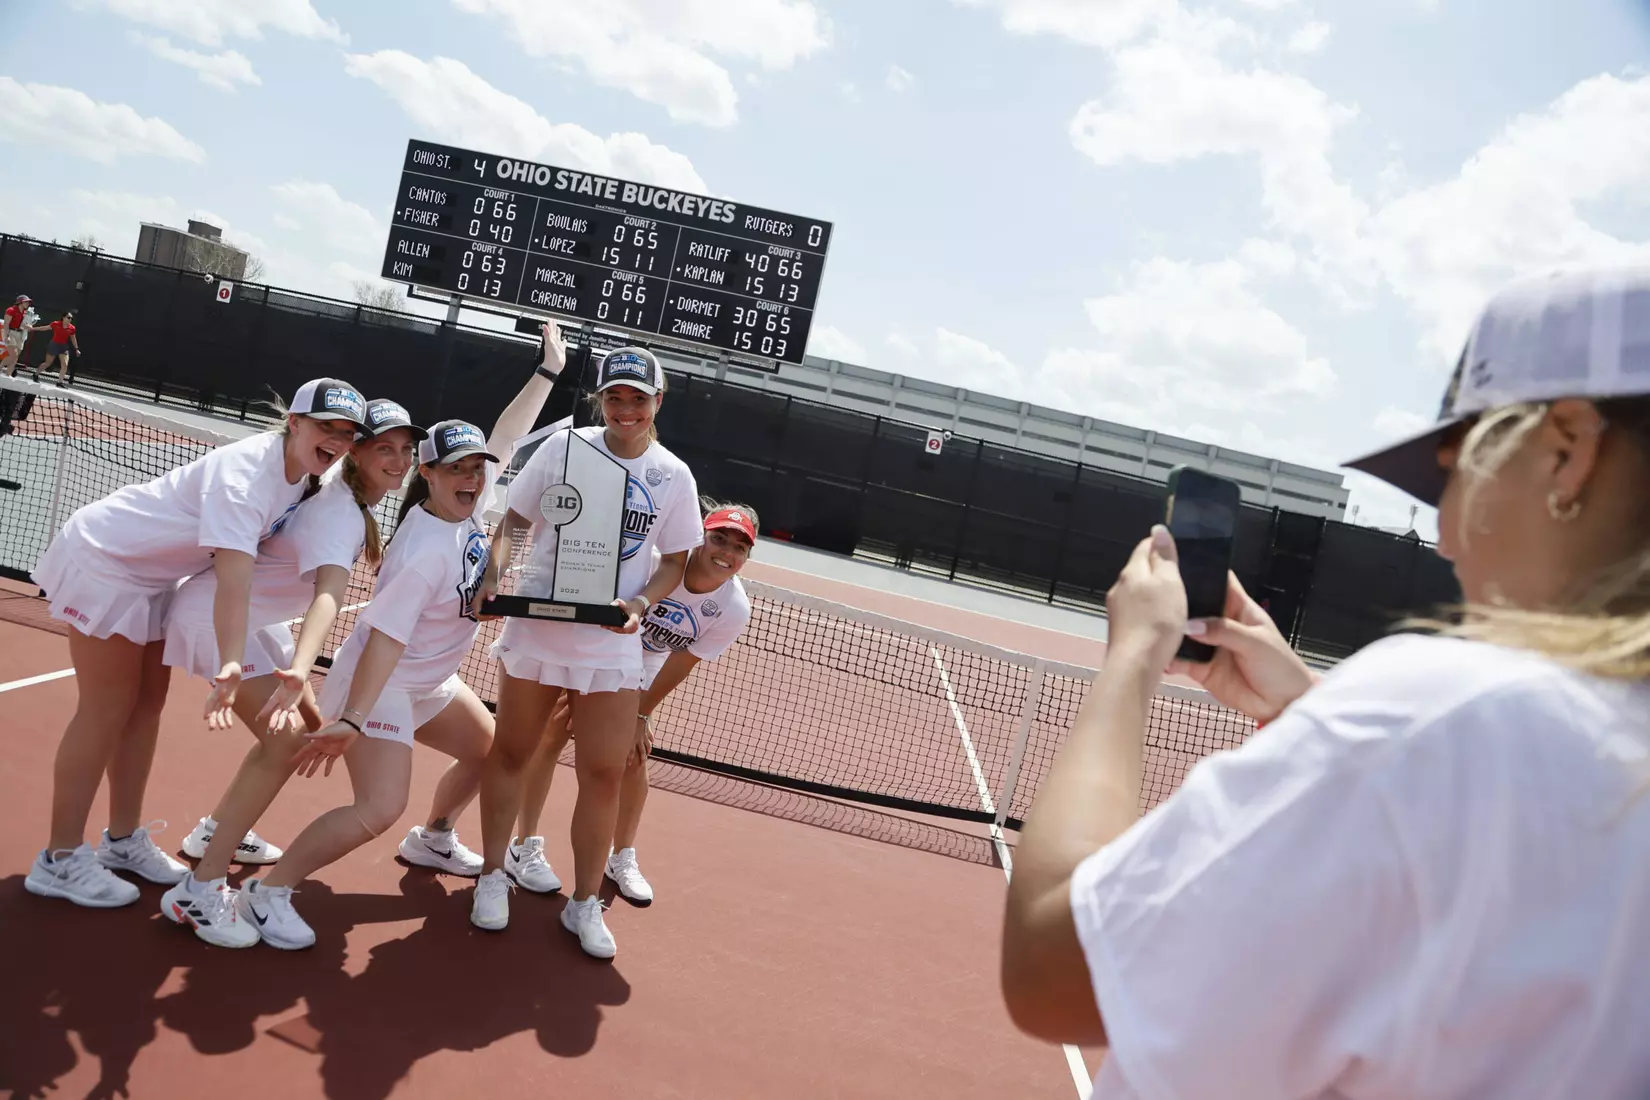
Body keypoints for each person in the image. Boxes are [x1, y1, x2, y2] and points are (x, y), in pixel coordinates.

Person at [1000, 264, 1650, 1099]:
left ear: (1569, 449)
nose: (1448, 536)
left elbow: (1055, 967)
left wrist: (1133, 658)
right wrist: (1313, 714)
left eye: (1455, 473)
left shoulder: (1439, 720)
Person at [228, 329, 564, 950]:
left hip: (428, 682)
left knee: (490, 752)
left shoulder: (464, 504)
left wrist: (549, 371)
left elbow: (508, 436)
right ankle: (268, 891)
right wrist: (352, 718)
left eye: (476, 469)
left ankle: (434, 836)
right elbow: (381, 639)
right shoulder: (423, 552)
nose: (471, 476)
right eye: (456, 467)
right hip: (378, 686)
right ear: (429, 475)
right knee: (377, 809)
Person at [24, 378, 367, 909]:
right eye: (327, 427)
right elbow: (234, 581)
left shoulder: (306, 474)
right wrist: (231, 660)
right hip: (107, 562)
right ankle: (61, 859)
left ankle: (121, 840)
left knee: (145, 708)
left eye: (348, 433)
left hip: (154, 577)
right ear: (294, 423)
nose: (339, 441)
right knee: (105, 709)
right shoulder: (244, 482)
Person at [154, 397, 424, 946]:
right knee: (284, 744)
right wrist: (301, 670)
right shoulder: (341, 513)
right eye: (384, 449)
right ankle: (197, 892)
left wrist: (300, 679)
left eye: (406, 451)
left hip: (251, 619)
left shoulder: (347, 501)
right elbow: (327, 597)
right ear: (357, 453)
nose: (398, 461)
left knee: (290, 737)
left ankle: (214, 834)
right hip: (215, 621)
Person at [472, 346, 702, 958]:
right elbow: (515, 523)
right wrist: (495, 575)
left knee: (603, 770)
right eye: (615, 397)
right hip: (540, 630)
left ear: (659, 401)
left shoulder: (674, 475)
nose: (626, 409)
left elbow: (675, 562)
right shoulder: (563, 448)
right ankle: (494, 875)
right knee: (512, 752)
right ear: (601, 398)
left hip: (612, 644)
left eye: (639, 398)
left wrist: (641, 604)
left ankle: (583, 904)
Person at [506, 499, 757, 903]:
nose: (725, 552)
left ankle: (620, 856)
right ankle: (523, 844)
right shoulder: (659, 562)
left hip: (649, 664)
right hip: (605, 643)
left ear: (746, 557)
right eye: (718, 538)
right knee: (554, 729)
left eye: (738, 547)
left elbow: (683, 660)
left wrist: (641, 711)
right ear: (701, 537)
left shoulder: (732, 608)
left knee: (633, 754)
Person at [36, 309, 79, 386]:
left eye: (71, 318)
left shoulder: (72, 328)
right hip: (54, 345)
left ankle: (60, 382)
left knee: (65, 364)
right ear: (63, 317)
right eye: (68, 317)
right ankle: (36, 374)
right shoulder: (56, 324)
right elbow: (45, 328)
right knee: (47, 363)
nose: (70, 319)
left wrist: (76, 349)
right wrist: (33, 328)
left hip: (63, 347)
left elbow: (73, 338)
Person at [2, 294, 31, 373]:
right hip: (10, 333)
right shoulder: (11, 310)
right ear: (20, 302)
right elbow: (6, 324)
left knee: (15, 357)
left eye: (28, 302)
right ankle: (1, 367)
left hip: (20, 334)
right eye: (26, 302)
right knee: (14, 355)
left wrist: (28, 326)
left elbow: (24, 324)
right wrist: (7, 336)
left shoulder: (26, 313)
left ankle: (9, 375)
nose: (28, 304)